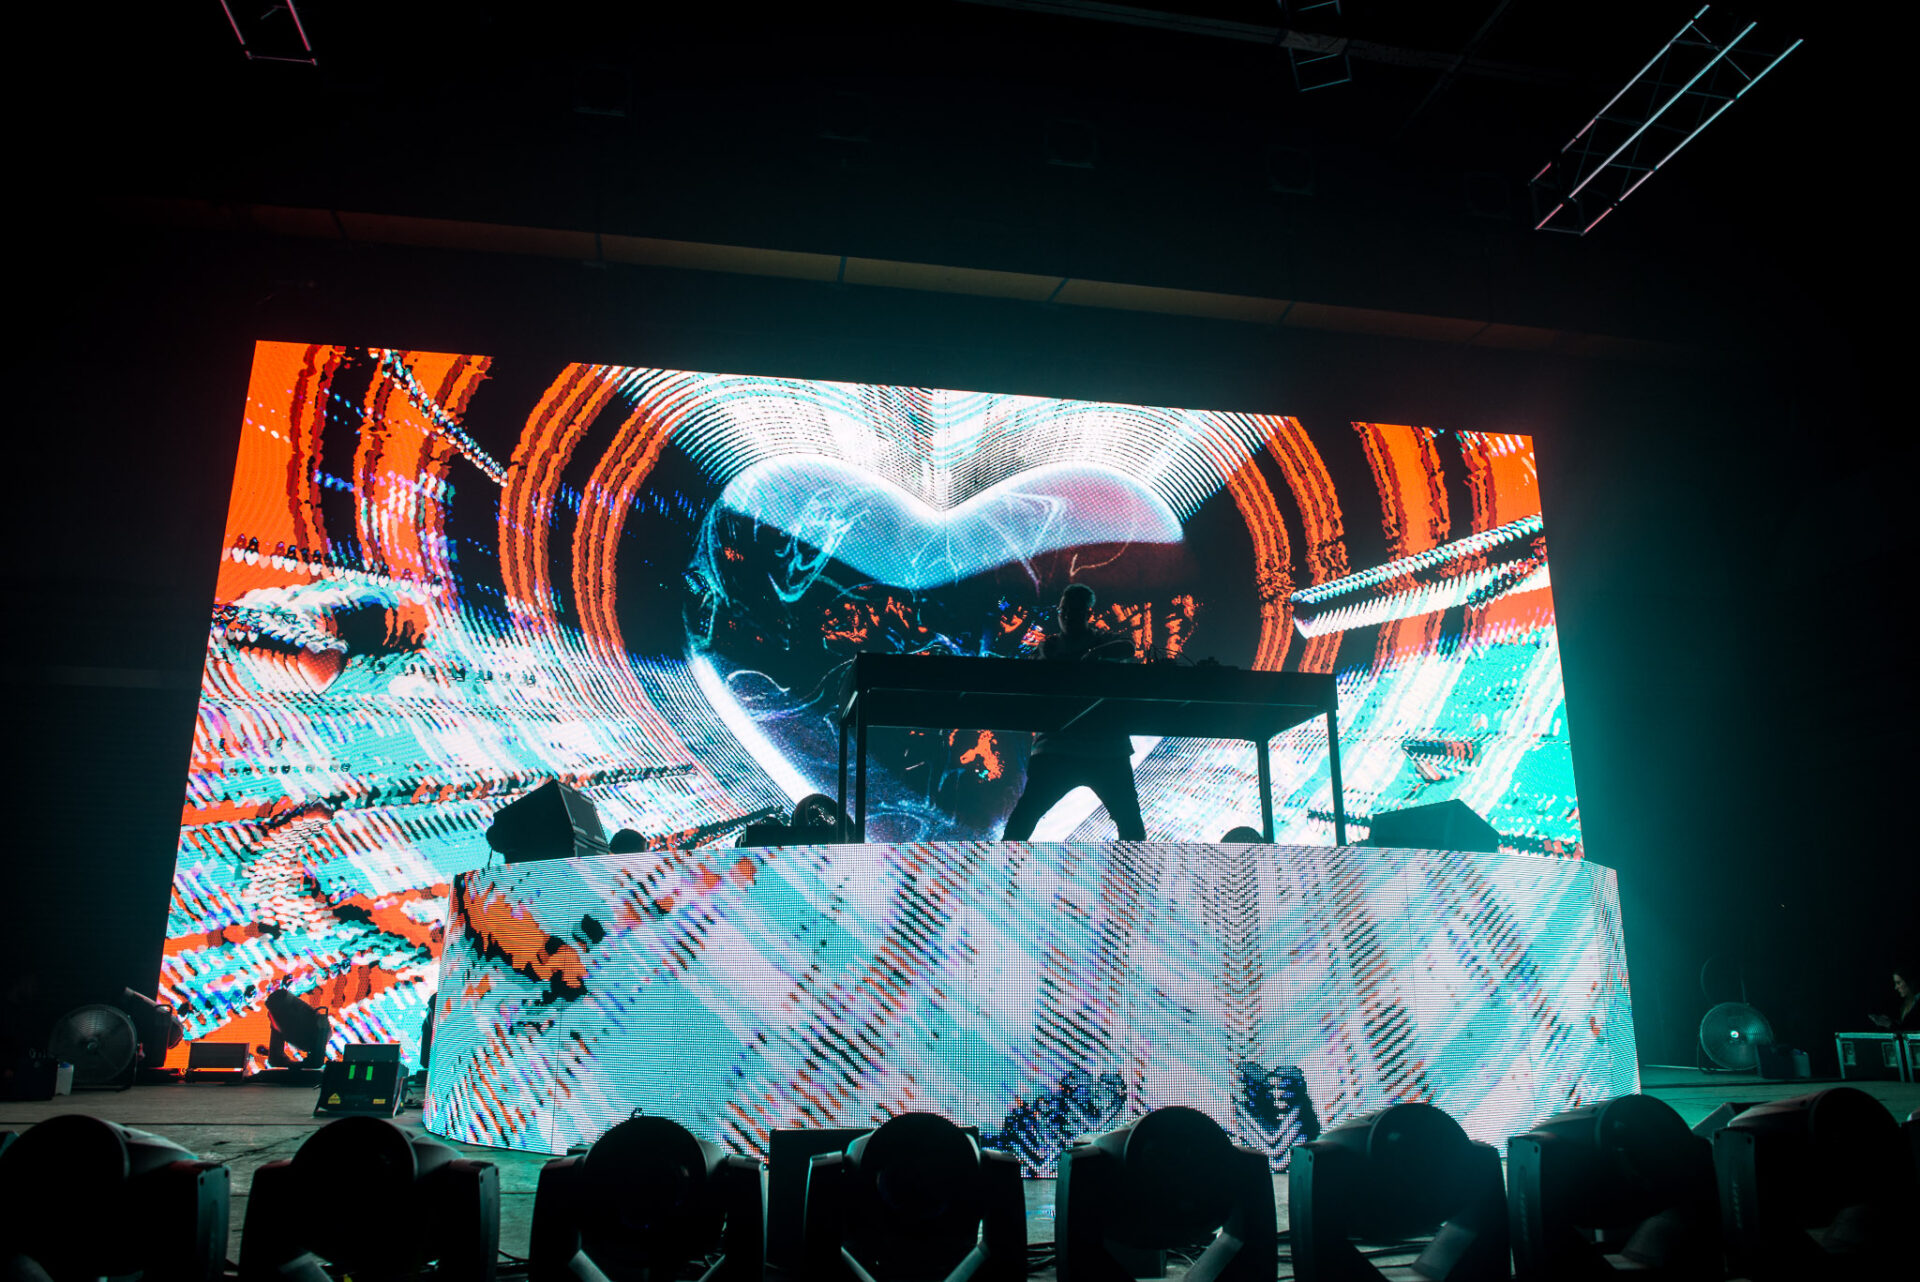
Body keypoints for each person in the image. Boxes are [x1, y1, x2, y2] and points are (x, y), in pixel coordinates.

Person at [1000, 584, 1146, 841]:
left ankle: (1004, 863)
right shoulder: (1047, 647)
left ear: (1088, 613)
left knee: (1024, 820)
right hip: (1089, 750)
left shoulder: (1102, 641)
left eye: (1074, 611)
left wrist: (1095, 655)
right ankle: (1004, 867)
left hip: (1087, 750)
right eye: (1064, 611)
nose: (1067, 616)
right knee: (1129, 823)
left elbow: (1127, 647)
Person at [1868, 965, 1920, 1030]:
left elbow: (1911, 1029)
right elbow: (1905, 1026)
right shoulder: (1904, 1004)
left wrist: (1889, 1024)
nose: (1896, 987)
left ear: (1909, 981)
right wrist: (1890, 1022)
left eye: (1898, 983)